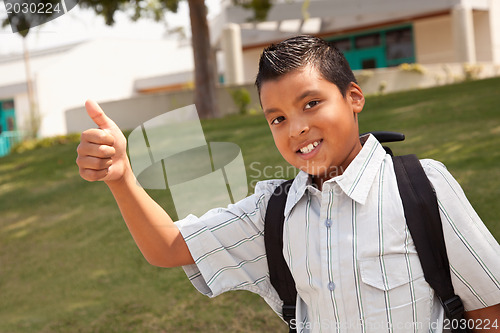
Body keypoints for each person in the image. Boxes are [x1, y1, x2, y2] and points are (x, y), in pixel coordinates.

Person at [76, 35, 500, 332]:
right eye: (277, 118)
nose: (296, 128)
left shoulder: (423, 187)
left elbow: (490, 310)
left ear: (353, 97)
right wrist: (122, 177)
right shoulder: (272, 213)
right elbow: (167, 246)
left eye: (311, 103)